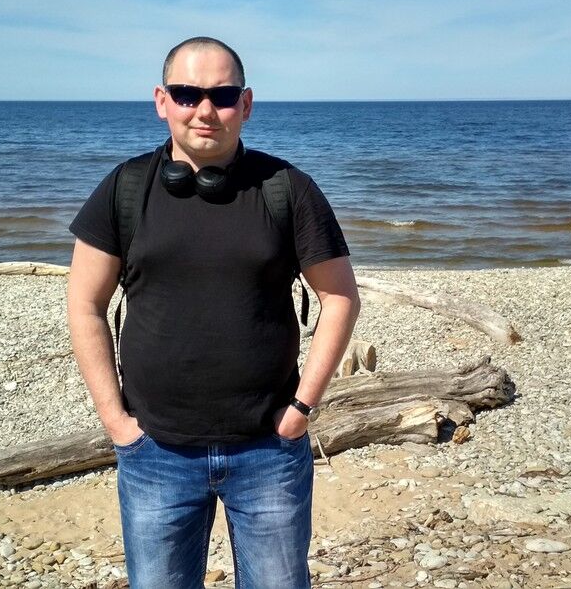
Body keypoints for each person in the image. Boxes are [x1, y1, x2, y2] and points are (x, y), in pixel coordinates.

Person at [66, 36, 360, 588]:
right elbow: (85, 303)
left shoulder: (287, 188)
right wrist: (116, 422)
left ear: (245, 104)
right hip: (155, 451)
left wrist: (301, 410)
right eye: (187, 94)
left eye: (222, 96)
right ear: (162, 101)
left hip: (269, 448)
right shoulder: (125, 189)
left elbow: (340, 296)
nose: (205, 110)